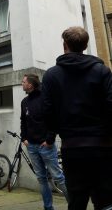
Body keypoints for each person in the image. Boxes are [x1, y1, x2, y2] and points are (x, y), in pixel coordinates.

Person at [42, 26, 112, 210]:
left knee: (77, 201)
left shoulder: (51, 75)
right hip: (102, 147)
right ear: (86, 45)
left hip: (72, 148)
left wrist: (54, 133)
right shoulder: (102, 71)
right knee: (105, 201)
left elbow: (47, 113)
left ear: (64, 45)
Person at [20, 74, 68, 210]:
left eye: (23, 82)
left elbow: (53, 118)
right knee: (41, 179)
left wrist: (50, 140)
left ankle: (74, 205)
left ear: (30, 84)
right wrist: (24, 138)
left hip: (45, 145)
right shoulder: (24, 102)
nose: (21, 84)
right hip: (32, 146)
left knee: (58, 177)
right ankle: (48, 207)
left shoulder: (44, 98)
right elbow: (23, 121)